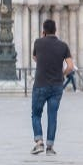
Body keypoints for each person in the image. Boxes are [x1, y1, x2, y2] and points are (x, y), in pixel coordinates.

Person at [31, 19, 75, 156]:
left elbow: (35, 58)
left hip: (40, 84)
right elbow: (70, 66)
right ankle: (50, 147)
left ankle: (39, 142)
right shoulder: (63, 46)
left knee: (36, 114)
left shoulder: (38, 43)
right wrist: (62, 73)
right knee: (52, 116)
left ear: (43, 31)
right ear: (55, 30)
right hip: (56, 86)